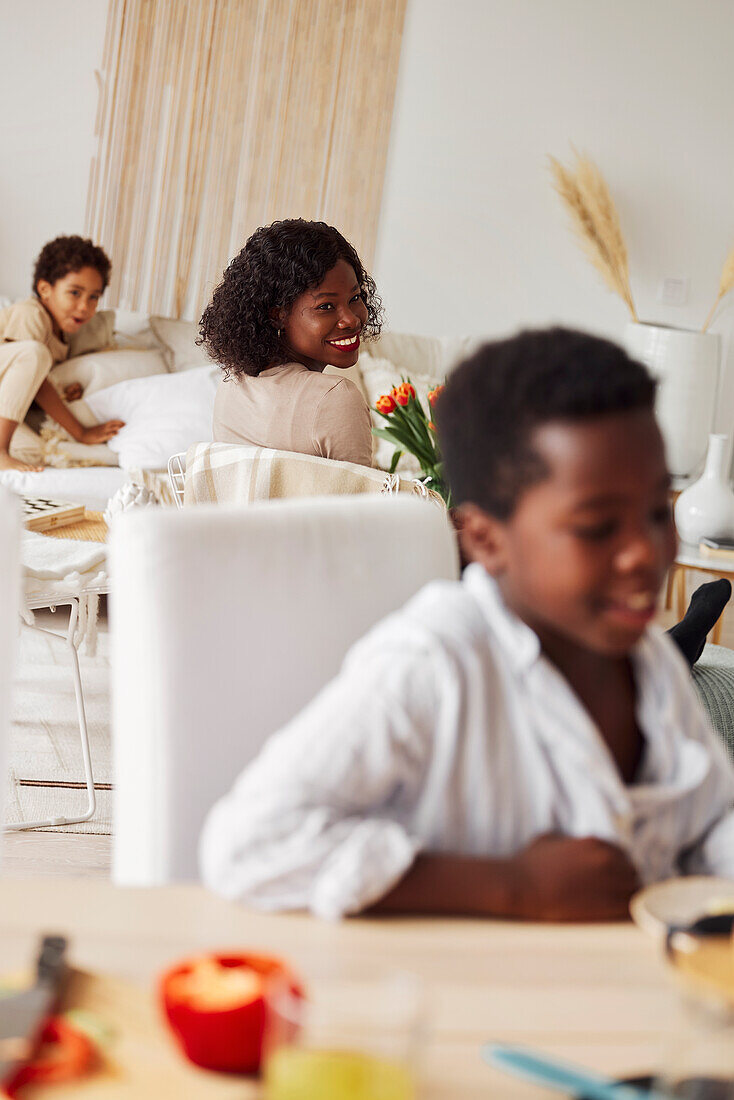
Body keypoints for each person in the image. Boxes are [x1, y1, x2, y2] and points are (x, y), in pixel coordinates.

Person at [199, 327, 734, 922]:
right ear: (484, 538)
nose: (644, 551)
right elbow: (247, 845)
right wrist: (512, 885)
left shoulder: (647, 664)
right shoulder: (432, 663)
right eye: (597, 527)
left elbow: (713, 817)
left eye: (657, 511)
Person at [200, 219, 383, 468]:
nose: (351, 319)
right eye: (326, 306)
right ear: (278, 315)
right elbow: (358, 507)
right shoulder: (336, 397)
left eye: (355, 297)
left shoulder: (231, 384)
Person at [0, 236, 124, 472]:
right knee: (35, 354)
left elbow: (25, 387)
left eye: (93, 297)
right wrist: (81, 432)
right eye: (75, 293)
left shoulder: (63, 337)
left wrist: (62, 392)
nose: (84, 307)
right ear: (45, 289)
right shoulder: (31, 314)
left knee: (35, 453)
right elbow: (35, 378)